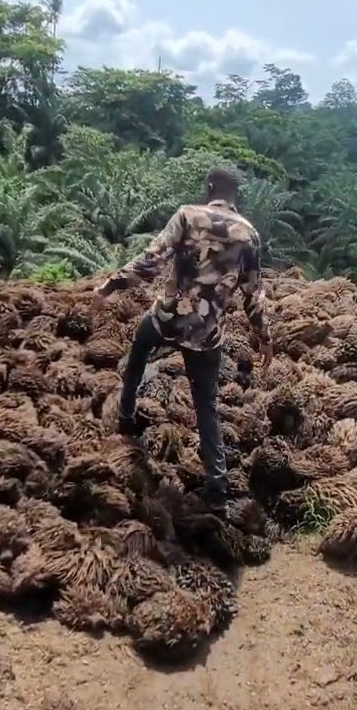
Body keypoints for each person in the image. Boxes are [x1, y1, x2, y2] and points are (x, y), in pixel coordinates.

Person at [91, 167, 273, 510]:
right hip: (206, 334)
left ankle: (126, 420)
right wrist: (264, 337)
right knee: (206, 407)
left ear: (209, 187)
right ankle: (217, 489)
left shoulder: (188, 215)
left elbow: (152, 260)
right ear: (235, 195)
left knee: (137, 357)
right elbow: (253, 294)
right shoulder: (249, 235)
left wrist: (110, 285)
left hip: (168, 319)